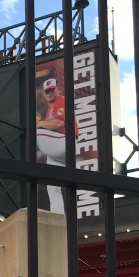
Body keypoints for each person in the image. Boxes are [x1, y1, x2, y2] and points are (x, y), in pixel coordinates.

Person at [36, 76, 77, 215]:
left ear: (57, 88)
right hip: (58, 152)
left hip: (66, 142)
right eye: (47, 91)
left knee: (36, 131)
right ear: (44, 93)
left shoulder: (62, 101)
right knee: (52, 185)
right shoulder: (49, 111)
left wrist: (39, 122)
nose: (50, 93)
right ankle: (58, 217)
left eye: (52, 90)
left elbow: (59, 124)